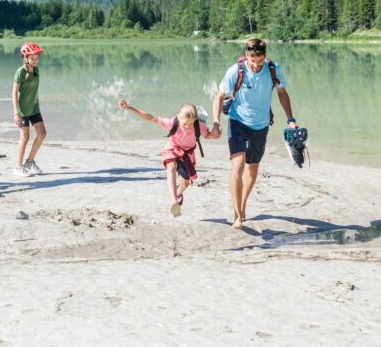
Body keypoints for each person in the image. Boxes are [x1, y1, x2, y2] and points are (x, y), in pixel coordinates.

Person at [213, 37, 298, 228]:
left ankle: (242, 205)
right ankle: (236, 215)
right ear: (246, 57)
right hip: (237, 122)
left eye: (260, 61)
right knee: (238, 164)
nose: (257, 65)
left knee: (253, 166)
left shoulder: (273, 69)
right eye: (253, 61)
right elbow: (219, 97)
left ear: (265, 57)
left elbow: (282, 93)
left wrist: (291, 120)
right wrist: (217, 122)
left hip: (261, 125)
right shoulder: (236, 71)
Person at [118, 99, 220, 217]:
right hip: (172, 149)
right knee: (171, 167)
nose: (187, 126)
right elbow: (151, 118)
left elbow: (208, 135)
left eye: (191, 123)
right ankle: (173, 202)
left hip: (187, 155)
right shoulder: (172, 123)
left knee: (186, 183)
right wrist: (129, 108)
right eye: (184, 124)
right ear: (178, 117)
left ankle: (179, 193)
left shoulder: (199, 126)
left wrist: (216, 133)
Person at [12, 42, 46, 178]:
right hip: (23, 111)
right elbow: (14, 92)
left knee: (42, 134)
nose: (35, 60)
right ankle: (18, 167)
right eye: (32, 58)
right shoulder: (21, 72)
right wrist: (16, 112)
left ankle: (29, 162)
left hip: (34, 109)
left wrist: (37, 102)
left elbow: (34, 89)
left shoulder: (36, 70)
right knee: (24, 137)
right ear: (25, 57)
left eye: (37, 58)